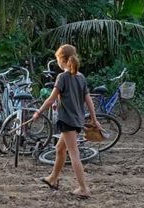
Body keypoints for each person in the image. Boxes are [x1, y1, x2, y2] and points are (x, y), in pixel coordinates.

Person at [27, 43, 99, 198]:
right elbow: (89, 101)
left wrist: (38, 112)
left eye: (57, 59)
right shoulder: (81, 77)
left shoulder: (63, 77)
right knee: (60, 149)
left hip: (67, 121)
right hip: (77, 120)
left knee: (74, 154)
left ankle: (84, 188)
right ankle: (53, 178)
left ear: (63, 59)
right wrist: (94, 119)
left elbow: (51, 99)